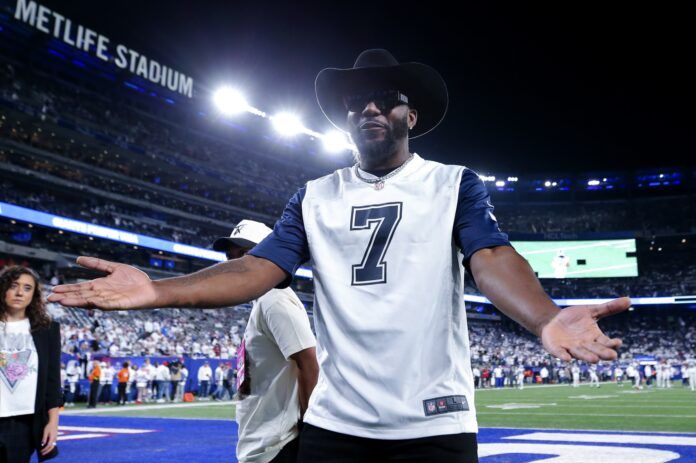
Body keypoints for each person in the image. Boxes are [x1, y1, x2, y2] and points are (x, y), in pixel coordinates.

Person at [49, 48, 629, 462]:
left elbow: (490, 257)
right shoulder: (314, 195)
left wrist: (545, 316)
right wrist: (159, 290)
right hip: (335, 426)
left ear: (412, 116)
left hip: (435, 422)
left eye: (386, 99)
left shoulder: (453, 183)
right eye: (358, 101)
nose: (370, 108)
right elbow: (257, 268)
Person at [212, 220, 318, 463]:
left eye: (245, 253)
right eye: (231, 256)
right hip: (264, 443)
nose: (236, 263)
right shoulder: (262, 300)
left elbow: (308, 362)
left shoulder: (274, 298)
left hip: (277, 445)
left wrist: (308, 432)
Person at [0, 266, 61, 461]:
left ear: (34, 294)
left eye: (27, 288)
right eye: (13, 286)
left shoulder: (48, 329)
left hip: (25, 423)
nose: (19, 293)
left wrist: (53, 422)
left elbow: (53, 381)